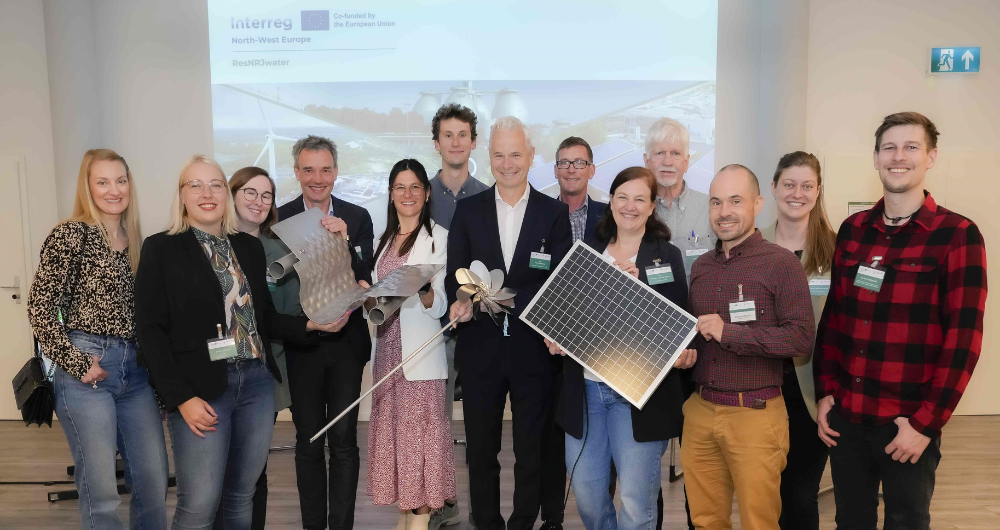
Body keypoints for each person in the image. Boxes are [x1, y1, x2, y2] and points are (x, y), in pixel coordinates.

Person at [135, 155, 344, 529]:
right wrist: (180, 398)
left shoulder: (246, 248)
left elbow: (264, 319)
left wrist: (312, 325)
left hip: (256, 385)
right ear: (181, 195)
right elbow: (149, 331)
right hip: (201, 390)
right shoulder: (161, 248)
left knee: (239, 498)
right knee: (199, 504)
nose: (206, 193)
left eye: (215, 184)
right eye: (195, 185)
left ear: (225, 194)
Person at [815, 112, 987, 530]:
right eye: (889, 147)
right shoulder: (853, 231)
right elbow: (835, 320)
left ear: (931, 158)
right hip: (848, 420)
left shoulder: (958, 235)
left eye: (911, 147)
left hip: (907, 426)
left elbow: (964, 343)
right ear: (875, 158)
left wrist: (926, 424)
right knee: (850, 521)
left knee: (906, 522)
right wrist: (825, 394)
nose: (899, 157)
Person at [545, 166, 696, 530]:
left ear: (651, 206)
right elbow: (566, 312)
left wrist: (641, 289)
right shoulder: (584, 252)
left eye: (639, 199)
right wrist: (556, 336)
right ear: (610, 201)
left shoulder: (667, 256)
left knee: (634, 500)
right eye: (622, 197)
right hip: (586, 392)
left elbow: (679, 325)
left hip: (638, 397)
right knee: (587, 493)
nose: (630, 206)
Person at [27, 149, 168, 530]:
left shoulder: (136, 238)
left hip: (136, 373)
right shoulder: (70, 234)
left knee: (154, 481)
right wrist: (78, 363)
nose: (114, 189)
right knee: (102, 489)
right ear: (88, 187)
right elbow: (40, 310)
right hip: (87, 368)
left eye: (121, 180)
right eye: (102, 181)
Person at [446, 116, 572, 530]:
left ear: (531, 156)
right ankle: (486, 522)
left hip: (533, 350)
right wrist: (461, 299)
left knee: (530, 448)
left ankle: (522, 522)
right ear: (489, 157)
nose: (507, 163)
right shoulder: (468, 211)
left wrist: (513, 303)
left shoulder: (554, 214)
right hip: (480, 348)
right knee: (480, 449)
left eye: (515, 154)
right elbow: (455, 275)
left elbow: (560, 283)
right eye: (499, 154)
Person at [682, 164, 814, 530]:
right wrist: (682, 352)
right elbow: (698, 335)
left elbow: (801, 337)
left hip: (755, 415)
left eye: (735, 201)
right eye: (716, 202)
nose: (724, 212)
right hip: (699, 410)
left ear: (757, 203)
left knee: (760, 522)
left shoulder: (782, 264)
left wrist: (731, 334)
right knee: (706, 521)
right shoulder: (702, 267)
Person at [277, 135, 375, 530]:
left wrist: (346, 241)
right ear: (297, 172)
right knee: (308, 443)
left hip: (346, 345)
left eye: (325, 169)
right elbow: (277, 288)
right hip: (302, 345)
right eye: (309, 169)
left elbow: (366, 279)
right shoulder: (278, 218)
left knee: (345, 444)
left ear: (336, 172)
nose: (317, 179)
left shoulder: (358, 216)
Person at [366, 159, 455, 530]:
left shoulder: (440, 239)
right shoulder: (382, 241)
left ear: (427, 192)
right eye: (400, 187)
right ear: (390, 194)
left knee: (420, 457)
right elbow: (375, 302)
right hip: (386, 358)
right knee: (399, 458)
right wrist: (366, 298)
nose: (408, 194)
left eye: (415, 187)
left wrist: (425, 291)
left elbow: (443, 307)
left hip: (419, 360)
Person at [760, 152, 836, 530]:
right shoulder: (752, 249)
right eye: (789, 184)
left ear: (818, 191)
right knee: (764, 495)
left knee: (801, 495)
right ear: (773, 188)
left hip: (813, 394)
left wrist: (832, 391)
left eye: (807, 186)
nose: (797, 193)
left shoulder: (836, 252)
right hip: (760, 390)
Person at [537, 135, 609, 530]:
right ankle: (552, 516)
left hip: (601, 344)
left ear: (591, 170)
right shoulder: (543, 214)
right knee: (554, 434)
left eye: (579, 163)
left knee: (601, 438)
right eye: (564, 163)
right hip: (552, 340)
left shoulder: (608, 216)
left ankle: (603, 514)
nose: (571, 169)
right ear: (555, 170)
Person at [211, 166, 289, 530]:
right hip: (213, 371)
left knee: (252, 472)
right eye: (250, 193)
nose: (259, 202)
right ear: (233, 193)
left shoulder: (273, 248)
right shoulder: (209, 242)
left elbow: (277, 314)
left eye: (267, 195)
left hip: (260, 373)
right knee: (214, 471)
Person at [425, 103, 489, 530]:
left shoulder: (488, 195)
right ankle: (442, 501)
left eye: (462, 134)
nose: (455, 142)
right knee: (436, 418)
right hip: (431, 323)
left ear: (473, 141)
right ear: (436, 143)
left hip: (480, 322)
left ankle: (480, 504)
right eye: (447, 135)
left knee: (481, 420)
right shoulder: (419, 194)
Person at [644, 117, 715, 282]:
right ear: (646, 161)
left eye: (675, 153)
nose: (667, 161)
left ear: (687, 161)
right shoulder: (635, 211)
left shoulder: (710, 208)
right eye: (659, 153)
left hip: (699, 307)